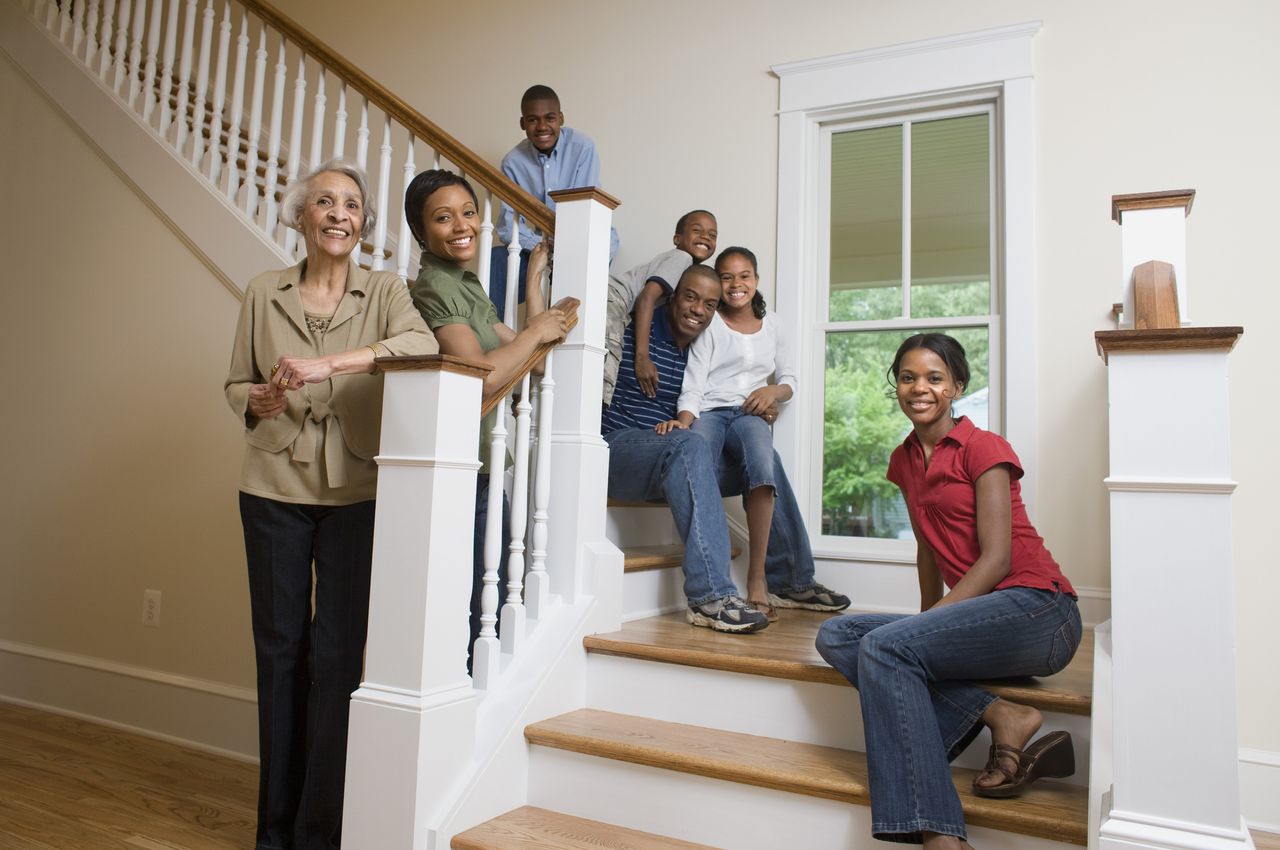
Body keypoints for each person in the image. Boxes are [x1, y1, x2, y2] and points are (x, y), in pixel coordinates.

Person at [225, 159, 437, 850]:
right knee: (279, 654)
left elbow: (421, 343)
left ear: (363, 224)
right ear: (302, 217)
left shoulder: (385, 291)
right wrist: (254, 400)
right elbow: (236, 381)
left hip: (357, 491)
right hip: (272, 489)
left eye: (351, 204)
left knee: (338, 657)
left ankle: (320, 832)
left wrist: (331, 364)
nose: (339, 212)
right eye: (325, 201)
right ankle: (273, 831)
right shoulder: (263, 290)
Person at [815, 333, 1082, 849]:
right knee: (839, 634)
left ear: (956, 386)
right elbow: (927, 548)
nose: (920, 388)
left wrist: (920, 629)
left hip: (1040, 611)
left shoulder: (985, 448)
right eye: (908, 377)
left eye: (934, 378)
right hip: (981, 617)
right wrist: (925, 623)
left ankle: (939, 834)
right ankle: (1002, 714)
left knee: (887, 646)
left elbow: (997, 559)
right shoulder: (904, 459)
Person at [603, 264, 850, 632]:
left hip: (671, 459)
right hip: (619, 450)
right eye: (689, 298)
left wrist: (766, 402)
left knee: (763, 461)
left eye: (708, 304)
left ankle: (789, 579)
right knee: (687, 443)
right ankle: (710, 597)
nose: (697, 310)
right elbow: (638, 296)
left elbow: (719, 391)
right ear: (674, 297)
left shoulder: (706, 345)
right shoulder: (639, 331)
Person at [405, 168, 571, 663]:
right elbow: (479, 374)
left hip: (480, 462)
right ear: (420, 232)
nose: (461, 225)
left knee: (491, 596)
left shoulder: (468, 282)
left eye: (469, 212)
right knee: (472, 602)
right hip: (456, 462)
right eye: (442, 217)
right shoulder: (434, 287)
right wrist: (534, 333)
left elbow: (521, 350)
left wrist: (534, 286)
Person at [674, 247, 794, 620]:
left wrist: (772, 392)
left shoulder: (773, 324)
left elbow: (789, 380)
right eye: (726, 277)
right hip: (711, 411)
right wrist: (684, 420)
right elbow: (694, 382)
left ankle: (757, 580)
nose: (736, 284)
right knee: (697, 461)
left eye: (744, 276)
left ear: (756, 280)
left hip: (750, 414)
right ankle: (714, 583)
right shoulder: (711, 324)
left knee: (763, 464)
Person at [490, 84, 619, 320]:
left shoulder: (582, 147)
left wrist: (564, 246)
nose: (541, 127)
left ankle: (564, 326)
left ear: (561, 118)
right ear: (522, 123)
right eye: (532, 120)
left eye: (549, 118)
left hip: (582, 239)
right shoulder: (512, 162)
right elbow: (508, 226)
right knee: (498, 258)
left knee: (591, 257)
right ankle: (491, 336)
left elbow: (584, 209)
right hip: (540, 244)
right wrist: (543, 247)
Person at [602, 209, 717, 405]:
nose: (705, 237)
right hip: (614, 300)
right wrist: (642, 357)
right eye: (697, 230)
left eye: (712, 235)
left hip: (616, 302)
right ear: (677, 239)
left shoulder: (686, 269)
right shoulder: (682, 258)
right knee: (603, 367)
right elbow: (646, 299)